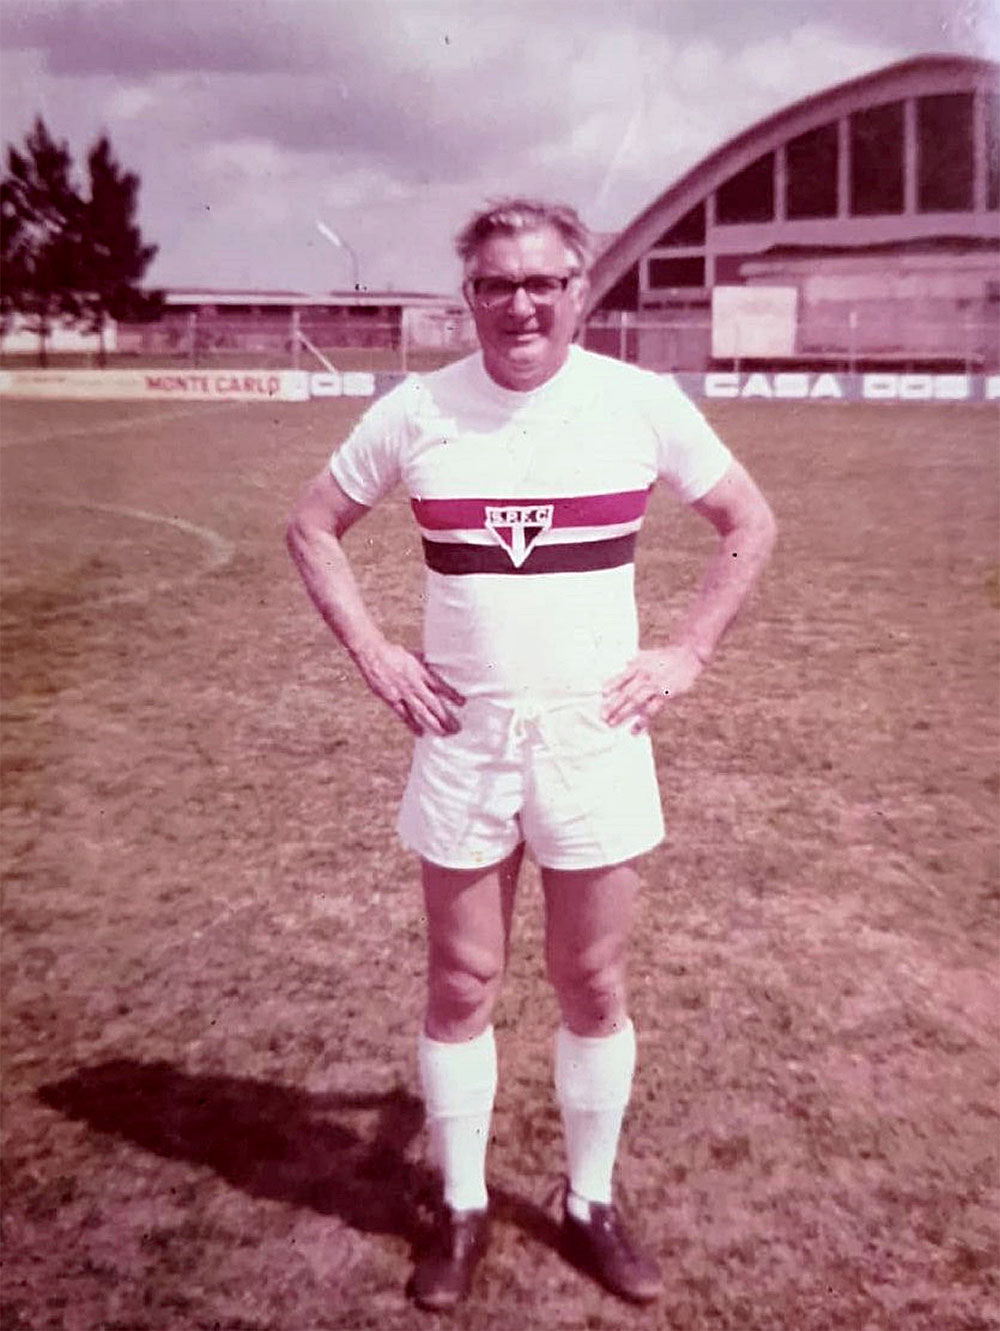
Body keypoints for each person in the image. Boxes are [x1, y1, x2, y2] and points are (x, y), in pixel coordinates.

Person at [286, 197, 776, 1311]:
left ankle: (588, 1198)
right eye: (496, 284)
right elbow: (311, 524)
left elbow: (749, 521)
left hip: (594, 738)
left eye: (543, 281)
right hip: (462, 740)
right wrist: (375, 654)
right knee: (462, 979)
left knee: (591, 980)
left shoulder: (637, 402)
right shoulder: (418, 410)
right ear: (469, 296)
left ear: (578, 289)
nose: (520, 304)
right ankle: (461, 1204)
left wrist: (687, 651)